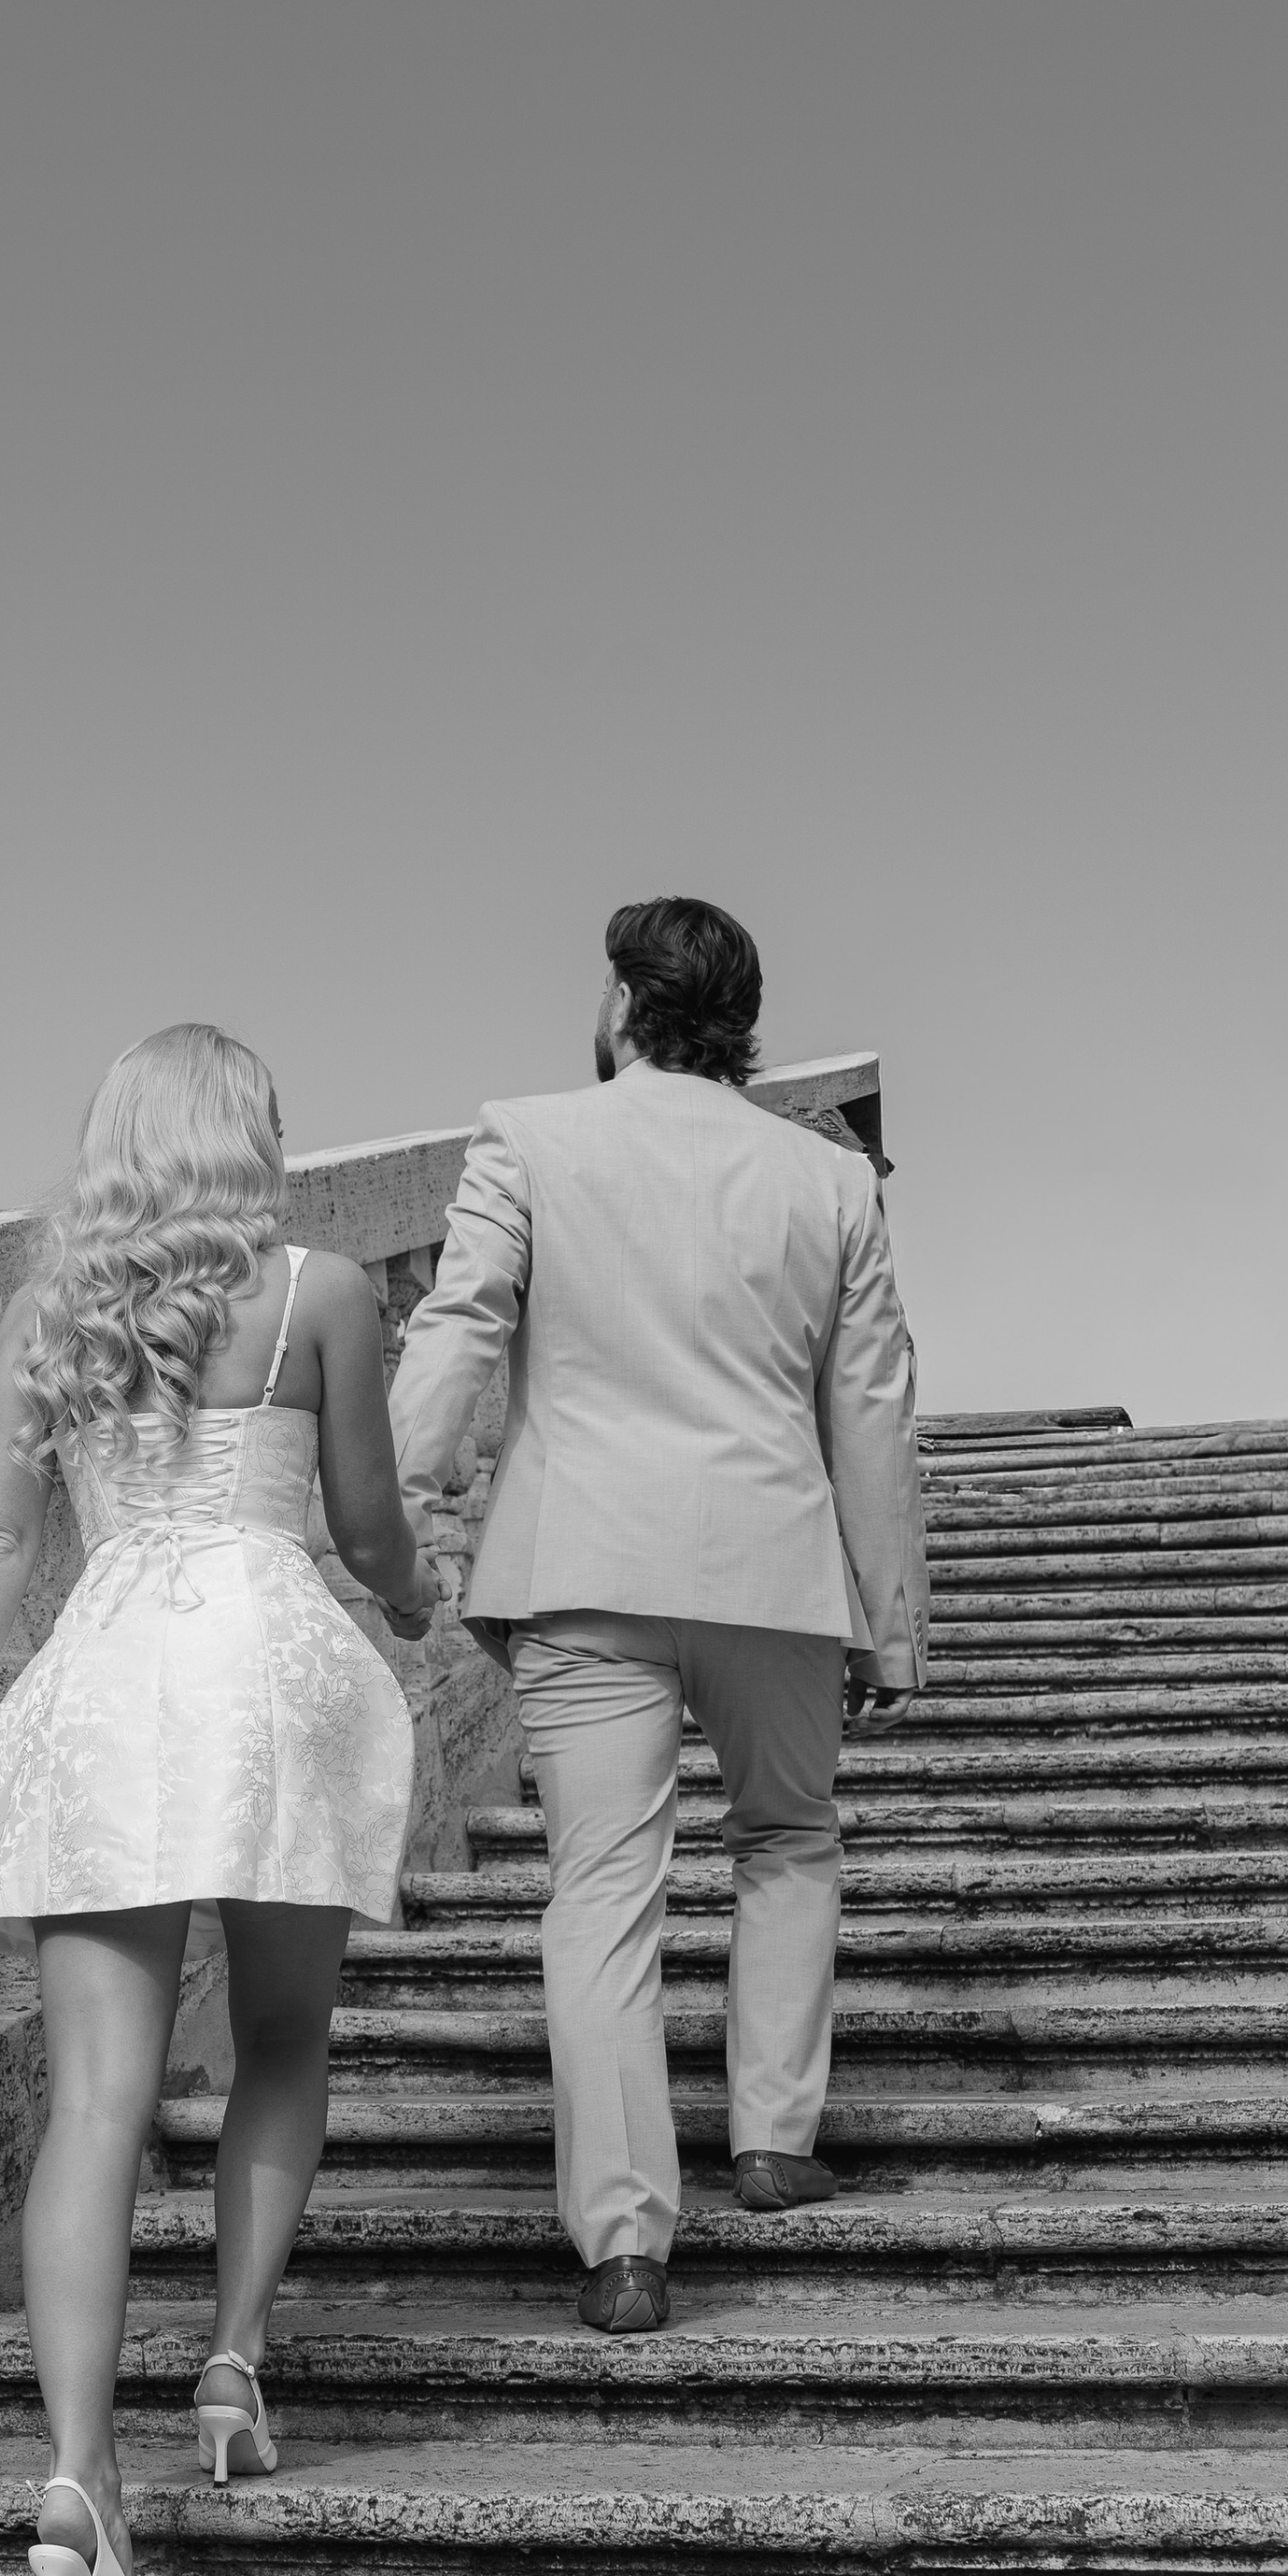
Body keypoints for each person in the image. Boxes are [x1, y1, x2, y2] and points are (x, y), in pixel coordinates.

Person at [0, 1023, 436, 2576]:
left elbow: (0, 1541)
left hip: (103, 1685)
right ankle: (231, 2357)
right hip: (269, 1676)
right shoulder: (324, 1293)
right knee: (283, 2037)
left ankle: (79, 2476)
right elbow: (362, 1526)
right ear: (253, 1139)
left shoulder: (46, 1314)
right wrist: (422, 1599)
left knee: (94, 2105)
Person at [387, 897, 927, 2335]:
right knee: (790, 1839)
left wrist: (393, 1500)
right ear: (742, 1022)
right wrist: (891, 1613)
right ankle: (770, 2139)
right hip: (773, 1569)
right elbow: (870, 1408)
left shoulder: (530, 1137)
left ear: (625, 1003)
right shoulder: (831, 1184)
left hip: (586, 1565)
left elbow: (460, 1324)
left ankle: (626, 2239)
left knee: (603, 1890)